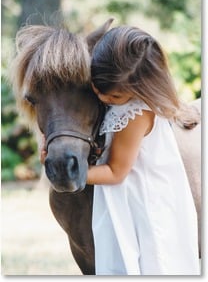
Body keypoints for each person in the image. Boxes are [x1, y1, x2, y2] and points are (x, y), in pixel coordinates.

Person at [40, 26, 200, 275]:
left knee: (149, 263)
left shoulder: (135, 114)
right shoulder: (116, 95)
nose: (103, 97)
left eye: (113, 95)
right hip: (122, 198)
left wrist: (74, 174)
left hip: (141, 203)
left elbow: (116, 171)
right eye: (95, 87)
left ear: (139, 90)